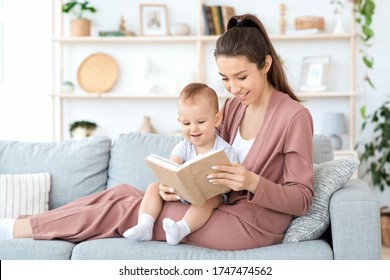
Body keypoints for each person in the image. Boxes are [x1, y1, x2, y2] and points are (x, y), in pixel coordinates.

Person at [0, 14, 314, 250]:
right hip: (216, 206)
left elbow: (302, 199)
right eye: (225, 79)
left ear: (266, 64)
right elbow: (209, 159)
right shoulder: (232, 108)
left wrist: (252, 182)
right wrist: (177, 185)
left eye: (241, 77)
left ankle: (21, 228)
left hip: (251, 225)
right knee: (123, 191)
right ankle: (28, 221)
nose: (233, 88)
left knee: (127, 210)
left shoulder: (294, 117)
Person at [123, 83, 238, 245]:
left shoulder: (225, 150)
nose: (193, 129)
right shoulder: (184, 145)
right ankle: (145, 225)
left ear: (217, 119)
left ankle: (181, 229)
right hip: (183, 193)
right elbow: (172, 166)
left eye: (200, 122)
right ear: (179, 121)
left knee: (209, 200)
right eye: (186, 123)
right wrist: (169, 180)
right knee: (153, 187)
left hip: (210, 196)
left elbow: (230, 184)